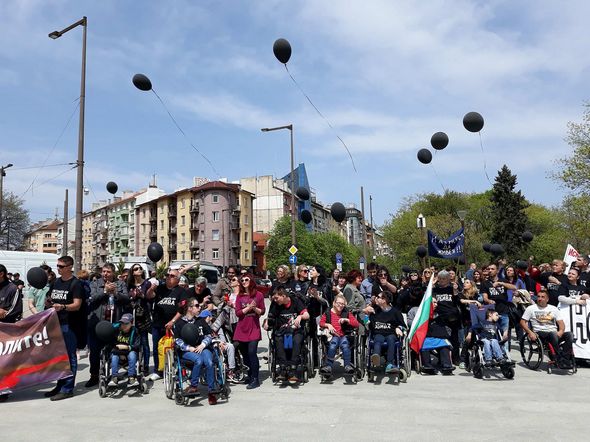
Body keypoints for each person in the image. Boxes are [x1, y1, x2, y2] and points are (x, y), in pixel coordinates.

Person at [43, 256, 83, 400]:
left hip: (69, 325)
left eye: (61, 266)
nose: (58, 268)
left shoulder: (76, 284)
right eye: (57, 266)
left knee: (70, 357)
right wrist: (49, 302)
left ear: (69, 267)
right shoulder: (56, 283)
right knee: (59, 357)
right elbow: (51, 298)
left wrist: (63, 306)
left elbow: (77, 305)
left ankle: (68, 388)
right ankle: (59, 385)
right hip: (55, 324)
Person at [86, 263, 130, 388]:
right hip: (97, 323)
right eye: (103, 271)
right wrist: (105, 291)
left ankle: (113, 373)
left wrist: (116, 293)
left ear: (113, 273)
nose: (105, 274)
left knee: (114, 350)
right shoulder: (95, 283)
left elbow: (127, 300)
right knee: (94, 351)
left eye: (108, 272)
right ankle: (94, 375)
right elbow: (92, 298)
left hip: (114, 322)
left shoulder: (120, 283)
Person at [173, 298, 217, 405]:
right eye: (197, 306)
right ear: (189, 308)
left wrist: (203, 345)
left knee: (210, 362)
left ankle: (211, 391)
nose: (199, 307)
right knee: (199, 360)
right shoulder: (179, 323)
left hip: (202, 348)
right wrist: (189, 348)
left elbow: (209, 335)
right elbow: (177, 340)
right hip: (188, 351)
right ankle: (193, 386)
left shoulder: (200, 321)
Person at [146, 268, 186, 380]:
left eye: (172, 276)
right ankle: (158, 371)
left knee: (175, 347)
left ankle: (175, 368)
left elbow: (182, 310)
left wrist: (173, 321)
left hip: (173, 325)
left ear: (178, 279)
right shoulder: (160, 288)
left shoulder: (181, 291)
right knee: (156, 347)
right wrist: (151, 289)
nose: (168, 277)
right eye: (167, 275)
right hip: (158, 323)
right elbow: (149, 296)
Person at [264, 286, 309, 382]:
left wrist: (300, 317)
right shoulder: (275, 305)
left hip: (296, 331)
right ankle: (283, 367)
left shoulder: (296, 301)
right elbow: (270, 318)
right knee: (279, 339)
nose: (275, 300)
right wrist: (266, 323)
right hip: (282, 331)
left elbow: (307, 315)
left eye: (277, 298)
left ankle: (293, 368)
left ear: (283, 296)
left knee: (296, 341)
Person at [520, 289, 574, 368]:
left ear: (547, 299)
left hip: (554, 333)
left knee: (570, 335)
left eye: (542, 297)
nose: (540, 298)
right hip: (540, 333)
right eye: (538, 296)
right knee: (552, 334)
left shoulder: (554, 309)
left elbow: (561, 323)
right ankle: (559, 359)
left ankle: (565, 358)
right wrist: (530, 332)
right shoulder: (531, 308)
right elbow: (522, 322)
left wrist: (561, 331)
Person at [234, 272, 265, 389]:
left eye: (246, 280)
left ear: (251, 280)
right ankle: (250, 374)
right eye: (242, 280)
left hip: (254, 328)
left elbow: (262, 311)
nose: (244, 282)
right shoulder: (240, 296)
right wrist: (247, 308)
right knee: (245, 354)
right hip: (242, 328)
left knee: (252, 352)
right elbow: (238, 313)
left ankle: (255, 378)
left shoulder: (258, 295)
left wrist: (254, 308)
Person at [363, 291, 405, 373]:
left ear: (384, 300)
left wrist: (399, 328)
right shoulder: (374, 311)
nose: (376, 298)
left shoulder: (395, 312)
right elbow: (367, 324)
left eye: (378, 297)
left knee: (391, 340)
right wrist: (366, 315)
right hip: (378, 333)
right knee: (378, 339)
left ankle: (389, 364)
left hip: (391, 333)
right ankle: (376, 358)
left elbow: (402, 325)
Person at [319, 295, 359, 376]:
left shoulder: (346, 312)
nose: (340, 305)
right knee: (333, 344)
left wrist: (347, 320)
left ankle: (347, 366)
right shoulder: (328, 312)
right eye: (338, 303)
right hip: (333, 335)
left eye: (342, 304)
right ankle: (328, 366)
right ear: (334, 303)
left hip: (344, 335)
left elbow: (356, 324)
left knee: (345, 344)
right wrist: (328, 325)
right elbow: (321, 323)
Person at [481, 263, 515, 352]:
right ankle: (494, 353)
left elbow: (514, 287)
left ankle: (505, 354)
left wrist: (501, 283)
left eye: (492, 269)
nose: (490, 270)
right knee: (492, 334)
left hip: (503, 311)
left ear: (497, 270)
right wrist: (489, 301)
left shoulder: (503, 280)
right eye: (489, 269)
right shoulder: (485, 283)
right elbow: (484, 297)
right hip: (491, 313)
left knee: (505, 335)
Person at [431, 270, 462, 365]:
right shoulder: (435, 289)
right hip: (440, 317)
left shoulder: (452, 288)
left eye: (444, 278)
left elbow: (458, 301)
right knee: (441, 339)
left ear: (448, 279)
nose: (441, 280)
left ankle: (456, 358)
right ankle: (442, 359)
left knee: (454, 339)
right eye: (440, 278)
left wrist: (456, 291)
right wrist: (431, 286)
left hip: (452, 316)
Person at [127, 264, 152, 376]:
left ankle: (145, 366)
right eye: (136, 269)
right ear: (132, 272)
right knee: (132, 341)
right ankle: (133, 364)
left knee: (144, 342)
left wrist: (141, 295)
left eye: (140, 268)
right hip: (132, 316)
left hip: (143, 316)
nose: (139, 270)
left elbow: (150, 298)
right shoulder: (129, 285)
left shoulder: (147, 283)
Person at [108, 313, 141, 388]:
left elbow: (137, 345)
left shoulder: (135, 331)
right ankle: (114, 378)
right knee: (114, 356)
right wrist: (119, 352)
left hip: (129, 352)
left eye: (126, 323)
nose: (123, 325)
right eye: (122, 323)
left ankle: (131, 378)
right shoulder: (116, 330)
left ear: (131, 323)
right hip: (117, 352)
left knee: (132, 354)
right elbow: (110, 344)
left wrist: (126, 347)